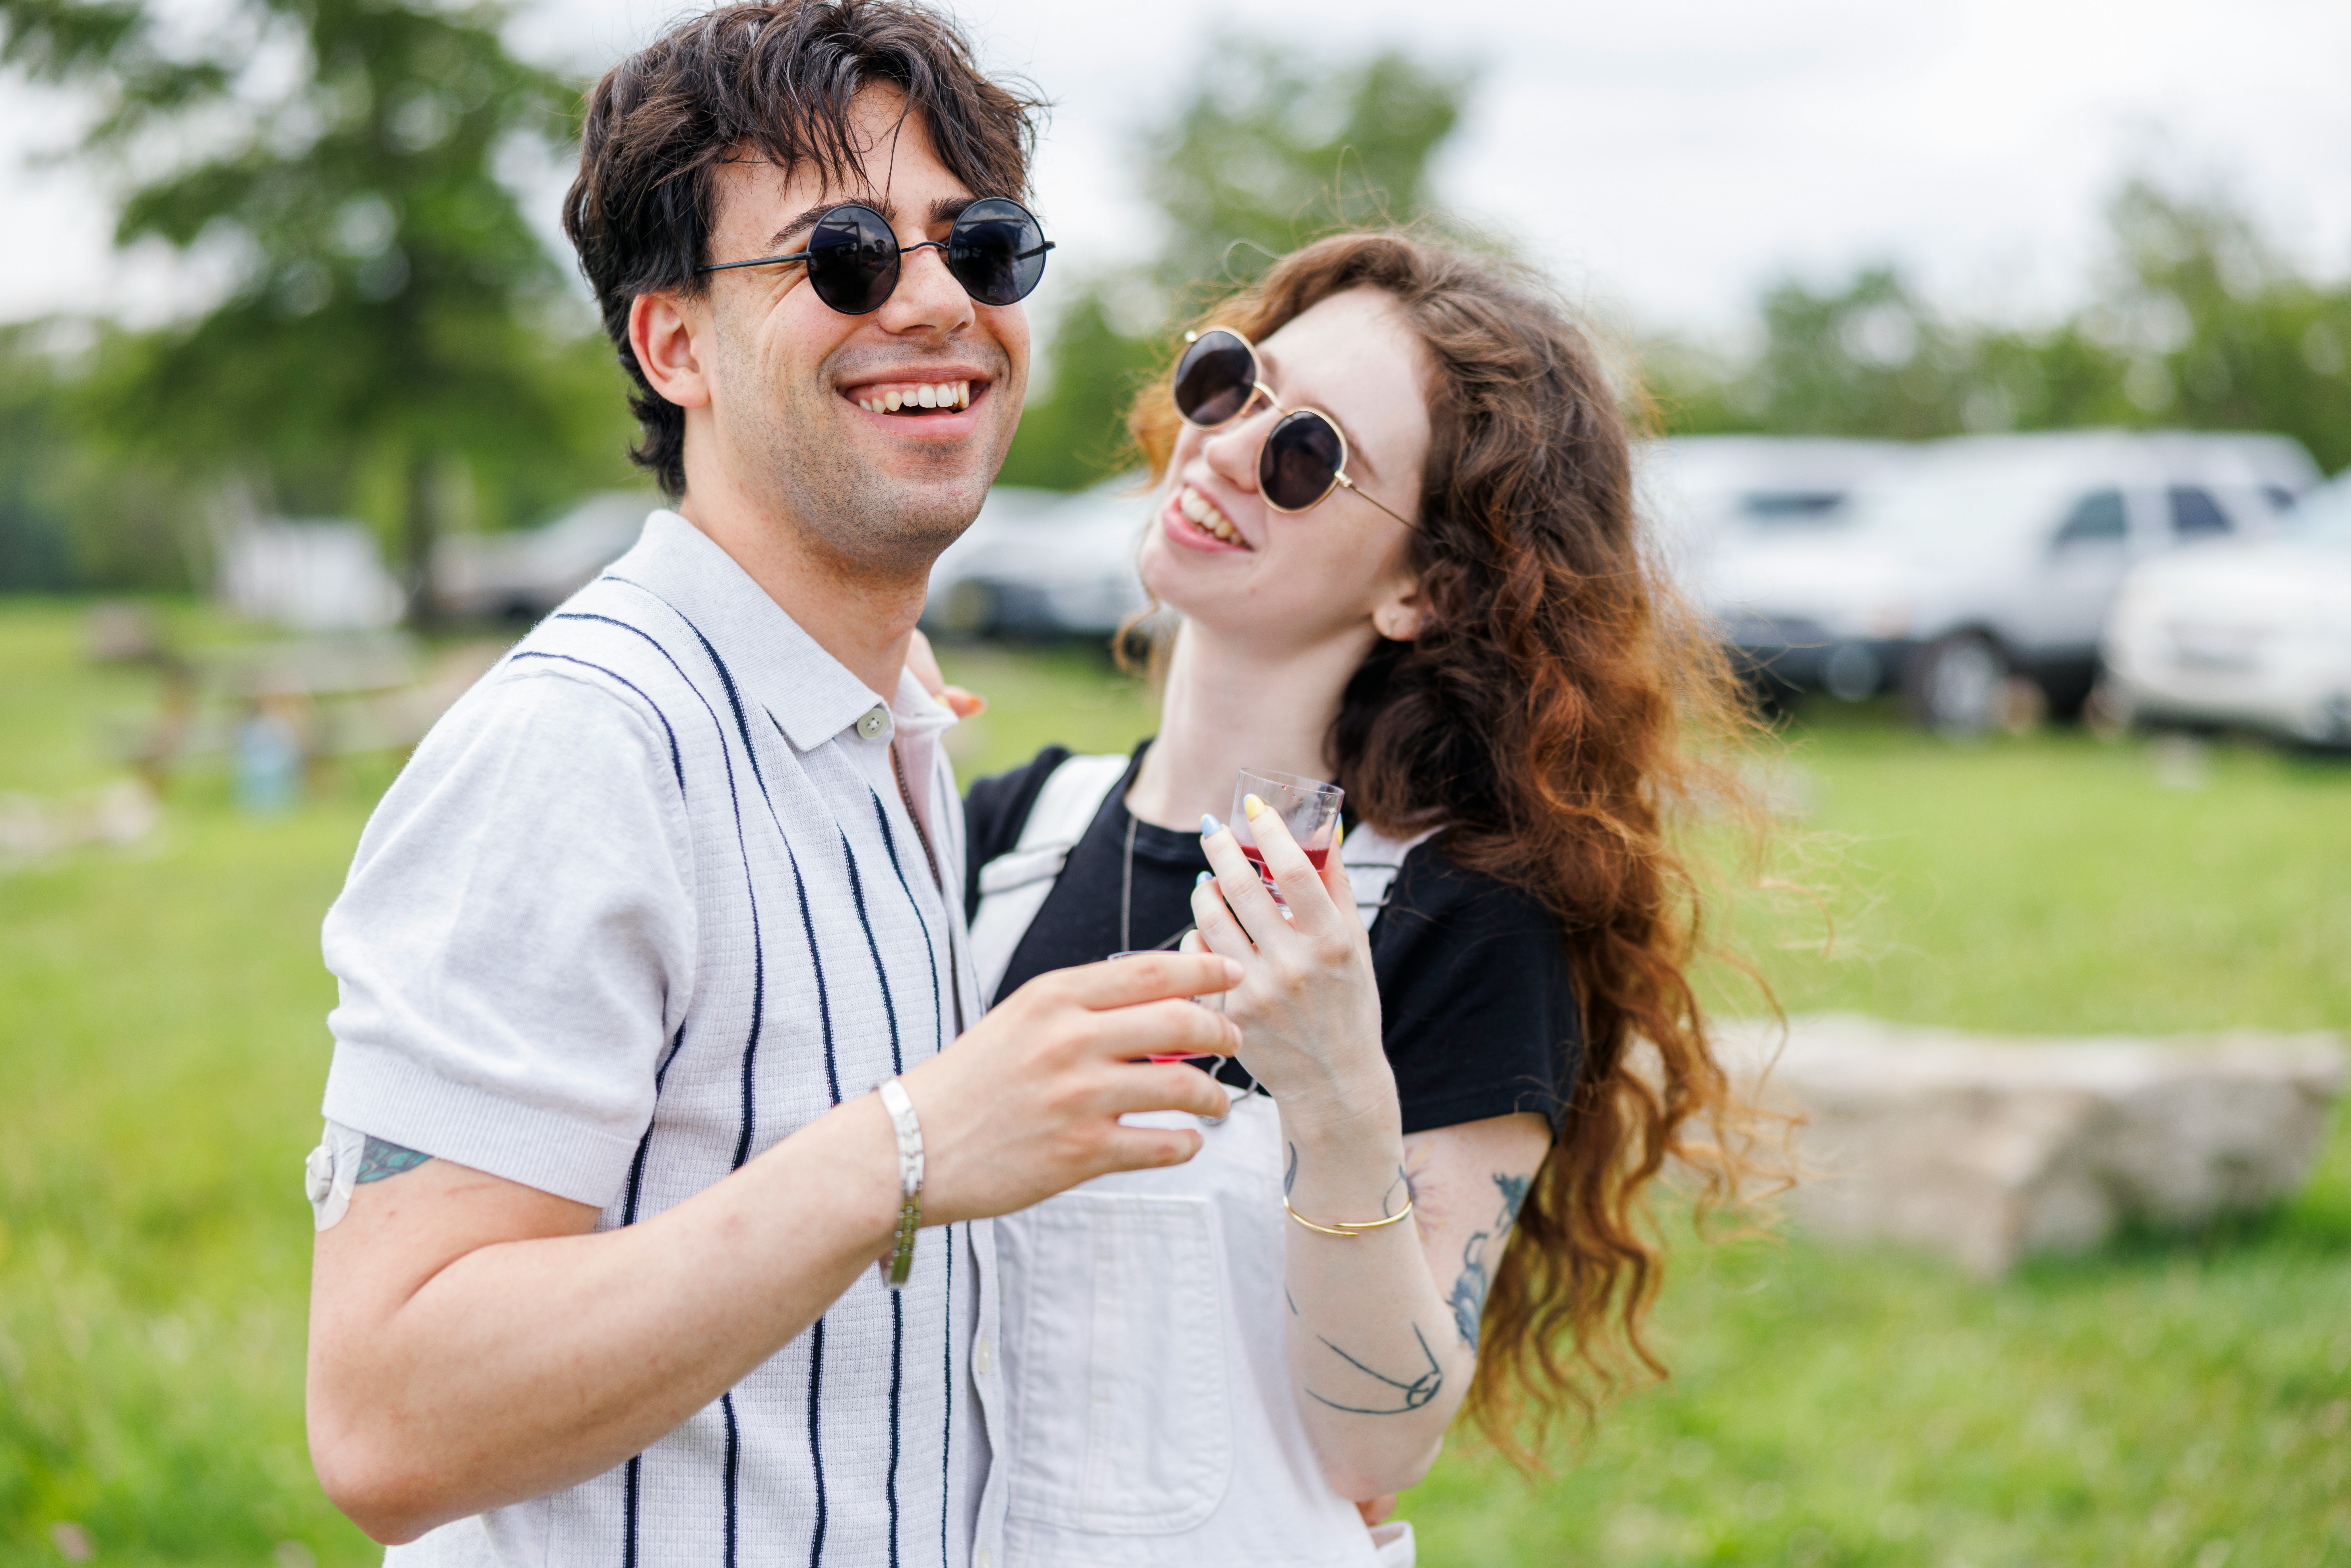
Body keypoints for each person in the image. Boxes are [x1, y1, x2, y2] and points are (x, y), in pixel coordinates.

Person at [299, 5, 1245, 1565]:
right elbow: (387, 1419)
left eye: (982, 246)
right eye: (845, 257)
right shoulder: (589, 745)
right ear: (674, 346)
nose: (935, 300)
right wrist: (911, 1150)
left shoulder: (875, 729)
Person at [956, 232, 1767, 1567]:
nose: (1225, 448)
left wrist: (1334, 1092)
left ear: (1419, 591)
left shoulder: (1457, 916)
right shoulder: (1002, 836)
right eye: (1233, 382)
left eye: (1308, 454)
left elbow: (1376, 1450)